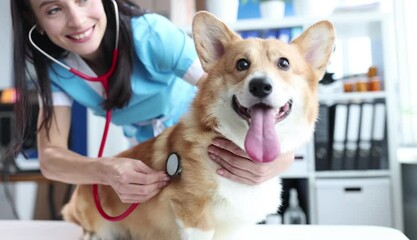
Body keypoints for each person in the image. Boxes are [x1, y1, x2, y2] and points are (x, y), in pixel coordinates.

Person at [10, 0, 294, 204]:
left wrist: (281, 159)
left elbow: (241, 94)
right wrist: (107, 170)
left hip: (216, 151)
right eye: (54, 9)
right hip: (156, 160)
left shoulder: (152, 35)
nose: (77, 20)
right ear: (35, 20)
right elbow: (50, 159)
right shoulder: (57, 69)